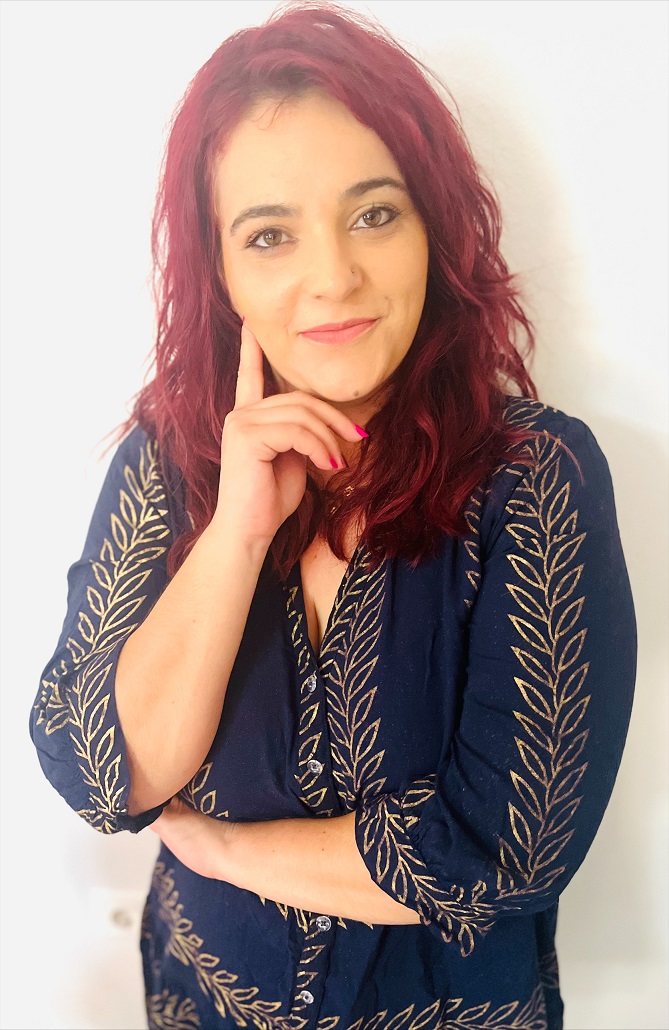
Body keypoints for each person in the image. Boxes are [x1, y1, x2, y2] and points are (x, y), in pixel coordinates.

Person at [29, 3, 637, 1027]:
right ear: (220, 269)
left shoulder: (536, 475)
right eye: (270, 235)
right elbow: (101, 772)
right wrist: (237, 534)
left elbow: (505, 851)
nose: (333, 277)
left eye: (375, 214)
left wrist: (222, 850)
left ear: (434, 227)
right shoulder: (167, 460)